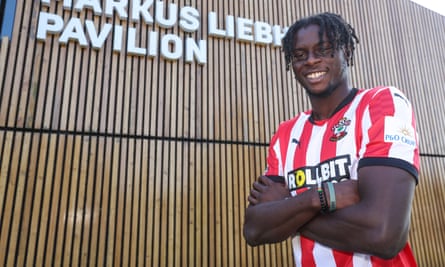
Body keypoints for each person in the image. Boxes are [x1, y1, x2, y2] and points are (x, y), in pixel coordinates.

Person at [243, 12, 420, 266]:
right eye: (300, 55)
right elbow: (254, 229)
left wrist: (287, 210)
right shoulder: (285, 134)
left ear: (346, 51)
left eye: (323, 50)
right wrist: (322, 197)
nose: (311, 61)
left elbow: (383, 234)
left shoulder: (382, 104)